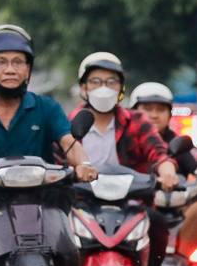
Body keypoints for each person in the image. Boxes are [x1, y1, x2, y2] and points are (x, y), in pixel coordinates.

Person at [0, 25, 97, 233]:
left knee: (67, 247)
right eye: (1, 62)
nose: (10, 69)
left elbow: (70, 143)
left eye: (18, 62)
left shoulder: (47, 108)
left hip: (42, 198)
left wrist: (84, 164)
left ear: (28, 68)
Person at [129, 81, 197, 255]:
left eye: (160, 109)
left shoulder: (181, 143)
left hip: (173, 213)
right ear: (132, 113)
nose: (154, 115)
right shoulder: (123, 141)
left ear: (170, 114)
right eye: (147, 108)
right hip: (129, 212)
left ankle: (179, 257)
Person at [71, 52, 179, 190]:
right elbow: (58, 163)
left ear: (120, 88)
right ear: (84, 88)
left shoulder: (136, 121)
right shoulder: (70, 123)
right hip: (80, 202)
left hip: (131, 203)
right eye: (95, 82)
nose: (104, 88)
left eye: (111, 82)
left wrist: (168, 173)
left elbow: (158, 153)